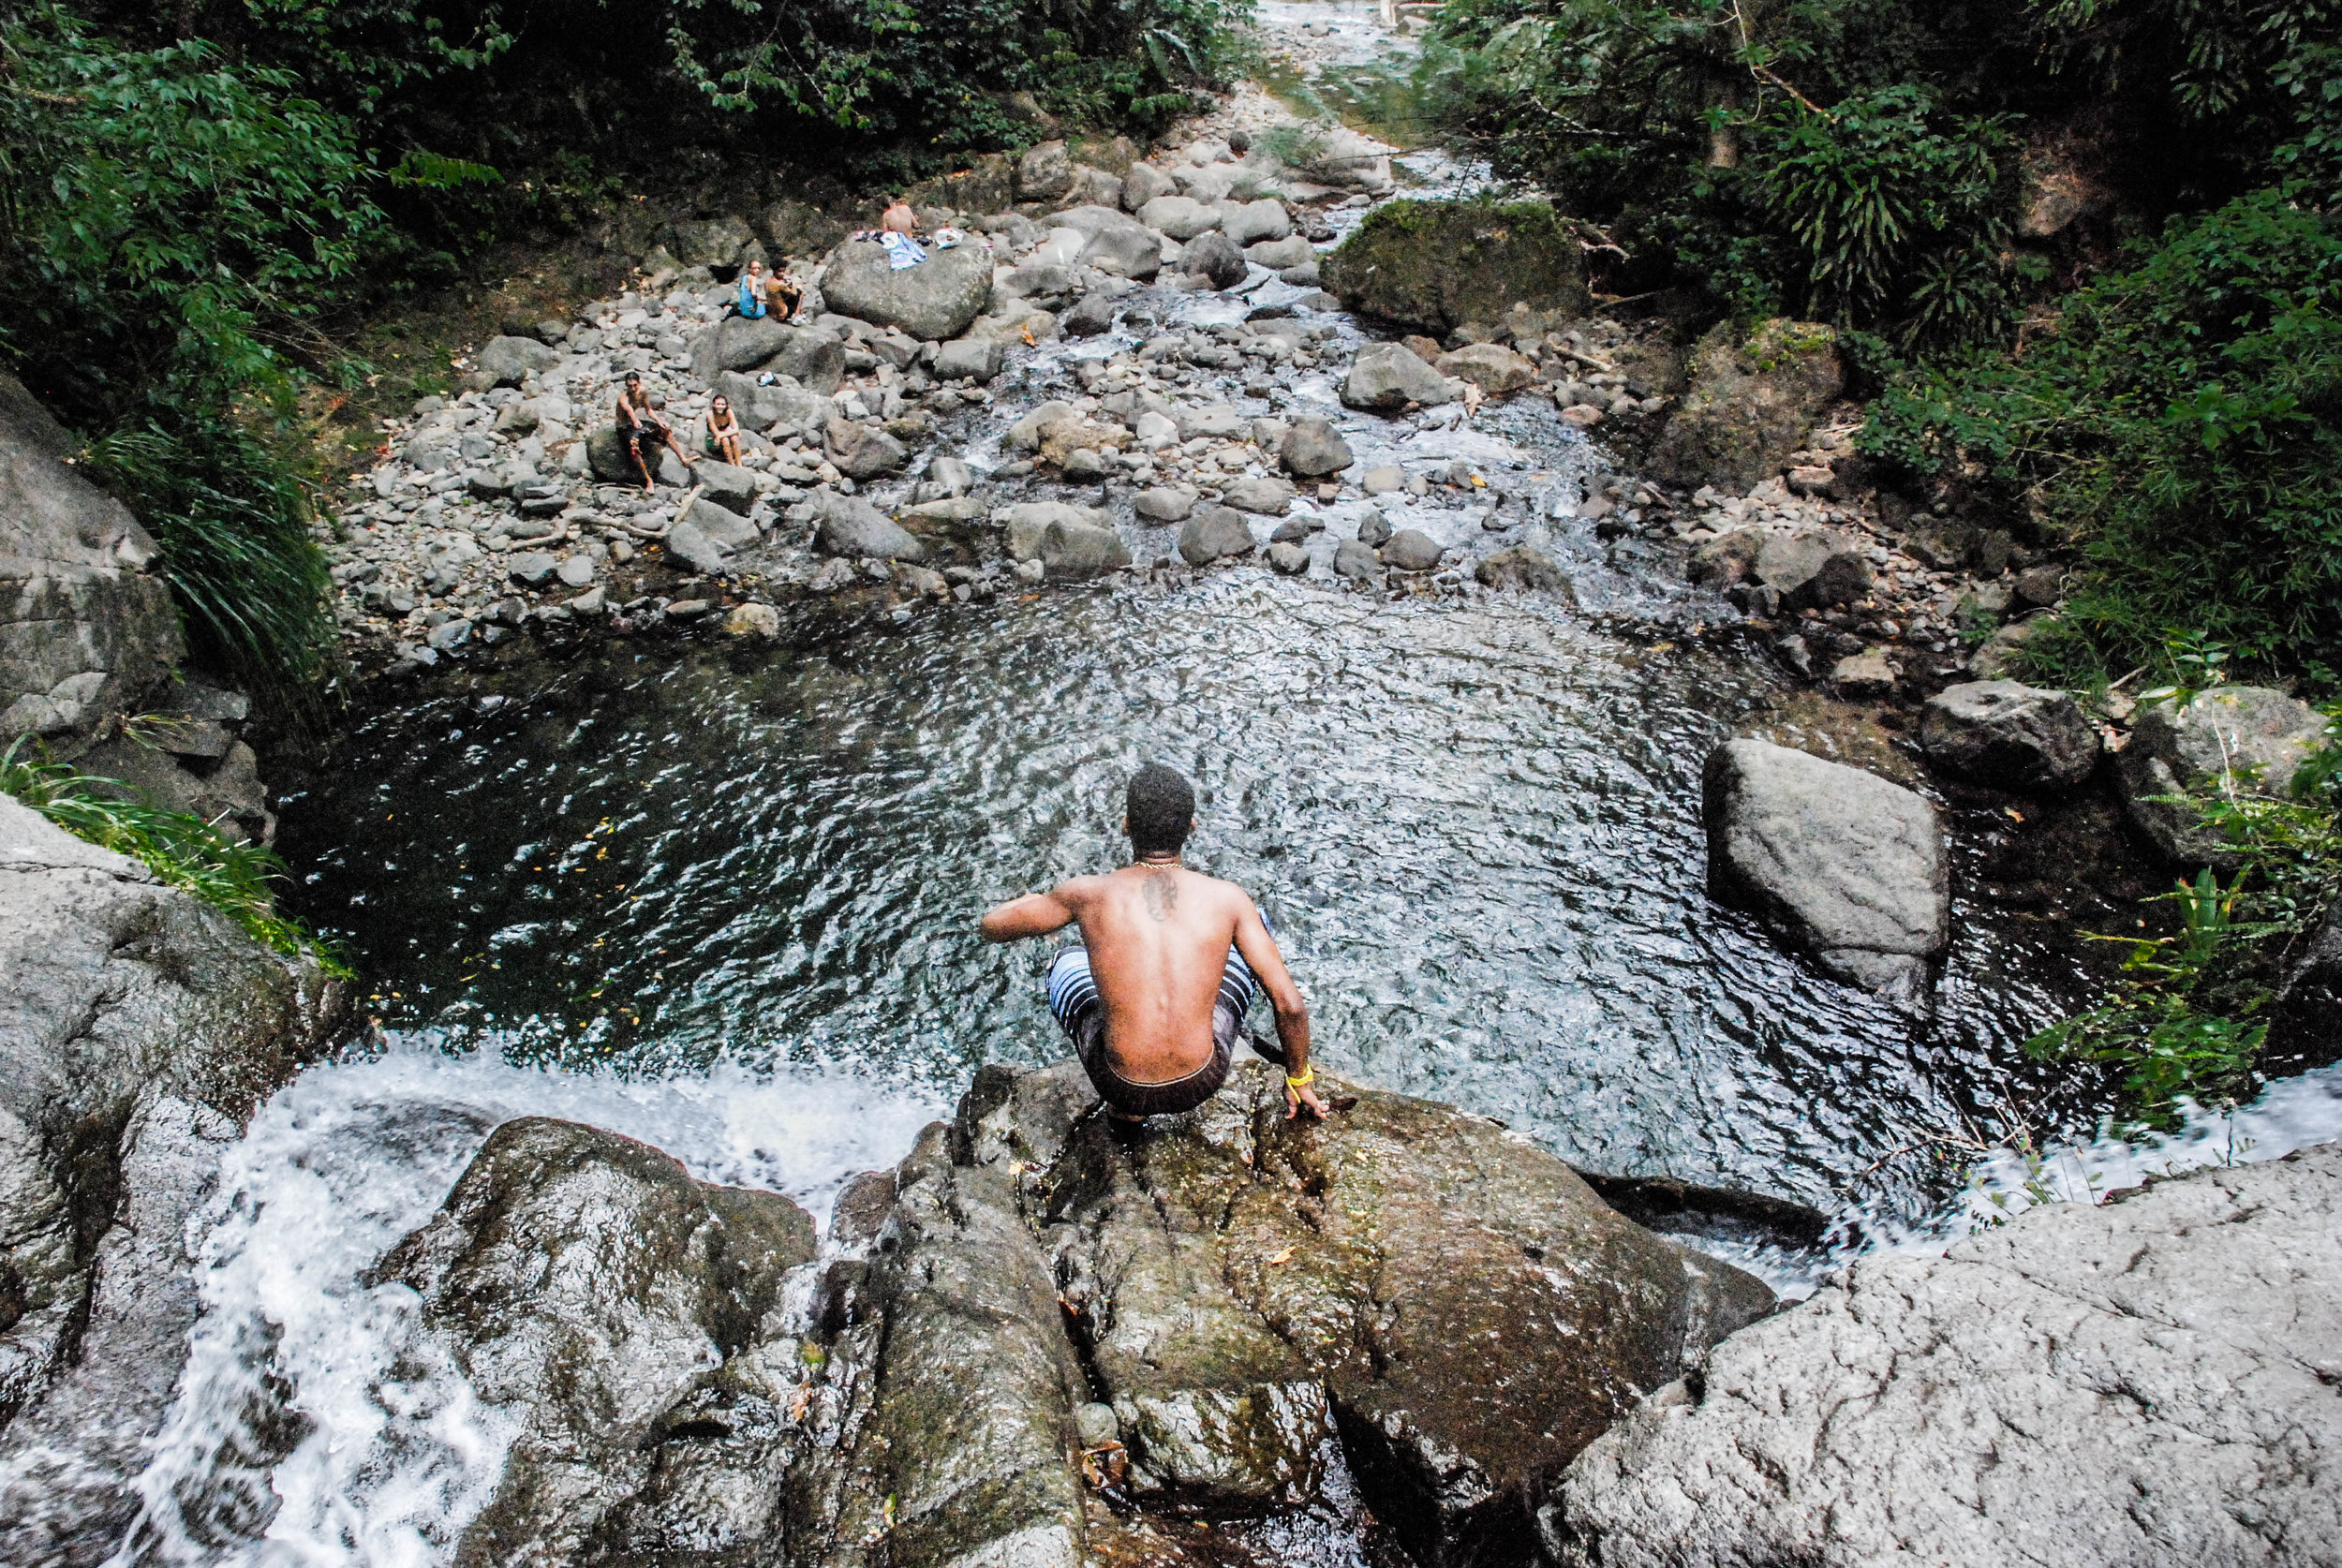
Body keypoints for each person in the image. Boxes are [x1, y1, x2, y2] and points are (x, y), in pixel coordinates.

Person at [980, 764, 1326, 1122]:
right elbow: (1290, 1006)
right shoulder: (1228, 898)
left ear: (1126, 825)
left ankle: (1127, 1114)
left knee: (1065, 962)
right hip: (1201, 1079)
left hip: (1119, 1083)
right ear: (1191, 828)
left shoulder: (1086, 894)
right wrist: (1298, 1078)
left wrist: (1040, 899)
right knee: (1257, 923)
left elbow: (991, 927)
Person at [615, 371, 695, 493]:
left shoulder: (642, 392)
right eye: (629, 386)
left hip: (635, 423)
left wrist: (659, 421)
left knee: (665, 431)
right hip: (624, 426)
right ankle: (648, 480)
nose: (632, 388)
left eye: (634, 385)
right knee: (634, 446)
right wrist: (635, 420)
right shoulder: (623, 397)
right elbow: (629, 410)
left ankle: (683, 458)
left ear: (639, 383)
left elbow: (648, 409)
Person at [704, 392, 743, 466]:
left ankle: (739, 463)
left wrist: (722, 435)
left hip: (724, 432)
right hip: (712, 436)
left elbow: (736, 429)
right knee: (725, 440)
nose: (720, 407)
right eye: (718, 404)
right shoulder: (710, 414)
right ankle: (731, 463)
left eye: (723, 404)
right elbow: (716, 433)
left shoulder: (729, 412)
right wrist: (721, 435)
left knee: (735, 438)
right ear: (713, 405)